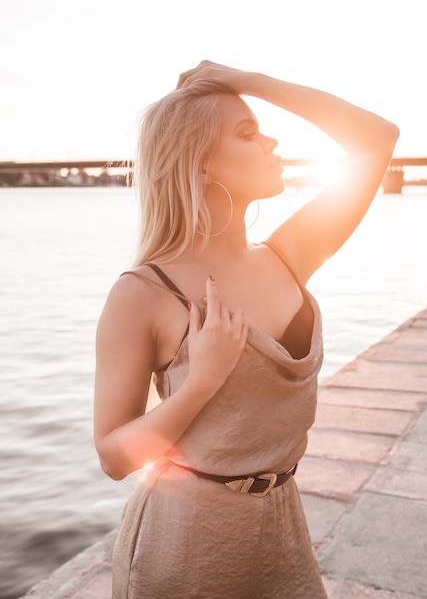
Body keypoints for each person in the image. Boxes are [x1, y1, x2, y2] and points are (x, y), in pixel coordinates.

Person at [94, 60, 399, 598]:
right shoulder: (143, 293)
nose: (272, 141)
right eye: (247, 133)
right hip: (185, 550)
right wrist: (202, 381)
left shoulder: (288, 256)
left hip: (282, 528)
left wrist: (246, 81)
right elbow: (115, 457)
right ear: (201, 164)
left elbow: (377, 139)